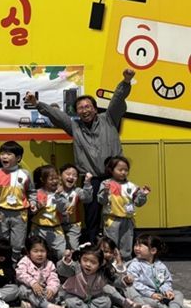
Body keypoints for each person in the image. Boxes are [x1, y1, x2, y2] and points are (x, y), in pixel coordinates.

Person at [26, 68, 136, 244]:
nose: (84, 110)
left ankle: (117, 248)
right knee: (91, 217)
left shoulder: (109, 119)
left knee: (118, 213)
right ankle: (92, 246)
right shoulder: (75, 128)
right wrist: (37, 104)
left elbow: (117, 100)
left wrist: (126, 81)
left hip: (114, 178)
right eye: (80, 108)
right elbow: (57, 116)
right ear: (76, 112)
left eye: (87, 107)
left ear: (95, 109)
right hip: (91, 180)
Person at [0, 141, 36, 263]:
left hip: (20, 214)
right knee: (1, 241)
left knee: (17, 243)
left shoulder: (25, 174)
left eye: (9, 154)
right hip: (2, 213)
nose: (4, 157)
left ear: (18, 158)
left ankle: (14, 264)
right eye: (2, 154)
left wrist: (33, 203)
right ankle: (1, 265)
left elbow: (31, 191)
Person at [126, 235, 190, 308]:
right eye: (136, 245)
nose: (136, 248)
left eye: (140, 246)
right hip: (145, 295)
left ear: (153, 250)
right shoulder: (135, 265)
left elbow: (166, 280)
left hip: (161, 295)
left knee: (178, 293)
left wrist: (167, 290)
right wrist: (151, 294)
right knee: (150, 303)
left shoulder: (160, 265)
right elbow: (135, 283)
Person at [96, 236, 162, 308]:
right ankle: (133, 306)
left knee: (127, 286)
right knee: (107, 286)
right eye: (105, 252)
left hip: (121, 294)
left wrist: (120, 265)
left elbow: (115, 278)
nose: (108, 255)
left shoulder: (109, 264)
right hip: (102, 295)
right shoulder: (93, 261)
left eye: (111, 252)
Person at [97, 156, 149, 260]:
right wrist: (105, 192)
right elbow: (101, 201)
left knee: (126, 245)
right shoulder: (106, 184)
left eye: (126, 170)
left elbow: (138, 203)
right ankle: (110, 263)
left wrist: (143, 195)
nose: (123, 172)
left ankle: (125, 264)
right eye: (120, 170)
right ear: (111, 170)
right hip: (112, 219)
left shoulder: (132, 186)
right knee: (110, 244)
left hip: (127, 220)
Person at [59, 244, 115, 308]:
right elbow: (62, 271)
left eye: (93, 262)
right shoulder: (76, 268)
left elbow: (115, 280)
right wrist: (67, 261)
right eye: (85, 260)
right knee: (71, 302)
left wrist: (125, 280)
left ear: (100, 264)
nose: (88, 264)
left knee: (106, 301)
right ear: (80, 259)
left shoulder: (102, 273)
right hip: (73, 296)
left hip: (91, 299)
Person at [16, 236, 65, 308]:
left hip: (43, 292)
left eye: (42, 251)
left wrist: (51, 289)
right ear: (28, 252)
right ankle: (49, 307)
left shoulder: (49, 264)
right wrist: (33, 283)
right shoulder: (25, 261)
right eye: (35, 251)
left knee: (59, 291)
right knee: (23, 289)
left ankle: (31, 306)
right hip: (29, 290)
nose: (39, 254)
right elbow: (20, 274)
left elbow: (53, 278)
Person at [30, 165, 67, 261]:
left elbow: (63, 209)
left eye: (56, 178)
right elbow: (30, 212)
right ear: (43, 179)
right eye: (51, 179)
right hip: (38, 228)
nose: (55, 181)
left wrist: (58, 196)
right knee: (38, 252)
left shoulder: (61, 194)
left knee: (61, 253)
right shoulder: (36, 193)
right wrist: (38, 207)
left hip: (55, 229)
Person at [59, 164, 92, 252]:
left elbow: (87, 199)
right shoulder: (55, 190)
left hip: (73, 226)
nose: (71, 177)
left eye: (74, 175)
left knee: (73, 249)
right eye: (68, 174)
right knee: (59, 250)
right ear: (60, 175)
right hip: (57, 225)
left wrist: (87, 183)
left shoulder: (77, 191)